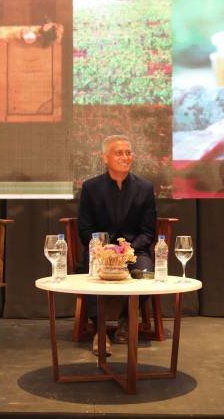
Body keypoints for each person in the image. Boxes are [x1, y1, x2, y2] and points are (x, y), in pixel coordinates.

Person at [77, 135, 157, 355]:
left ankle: (126, 320)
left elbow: (148, 232)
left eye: (128, 152)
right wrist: (104, 250)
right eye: (119, 153)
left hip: (134, 251)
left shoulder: (145, 187)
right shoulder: (91, 187)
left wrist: (127, 250)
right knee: (90, 271)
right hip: (101, 252)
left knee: (147, 273)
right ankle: (100, 332)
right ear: (105, 158)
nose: (125, 157)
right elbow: (84, 229)